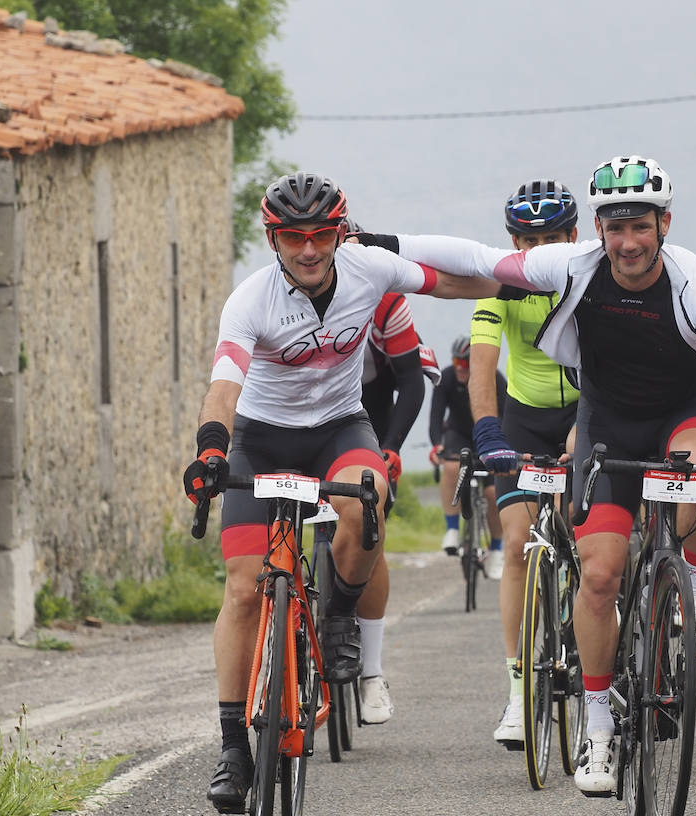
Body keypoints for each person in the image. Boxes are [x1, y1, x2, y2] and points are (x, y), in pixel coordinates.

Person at [358, 155, 696, 797]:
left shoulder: (695, 281)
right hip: (606, 417)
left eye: (640, 226)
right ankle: (600, 729)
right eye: (614, 227)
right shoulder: (575, 265)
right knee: (600, 573)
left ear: (665, 223)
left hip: (682, 410)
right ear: (598, 229)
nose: (628, 242)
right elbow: (476, 260)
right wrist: (382, 244)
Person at [181, 171, 497, 813]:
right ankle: (232, 747)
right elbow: (224, 384)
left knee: (365, 497)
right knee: (243, 587)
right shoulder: (251, 300)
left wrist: (519, 281)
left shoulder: (369, 269)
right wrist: (212, 448)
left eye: (320, 235)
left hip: (338, 429)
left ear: (338, 232)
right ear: (274, 239)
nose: (308, 250)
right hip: (260, 438)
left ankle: (339, 615)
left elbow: (460, 279)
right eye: (293, 237)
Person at [468, 179, 581, 749]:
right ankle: (518, 692)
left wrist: (585, 430)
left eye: (553, 238)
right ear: (513, 242)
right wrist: (487, 431)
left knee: (595, 537)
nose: (539, 251)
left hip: (590, 409)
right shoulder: (500, 286)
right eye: (528, 241)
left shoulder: (588, 281)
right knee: (516, 544)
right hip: (524, 416)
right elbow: (484, 365)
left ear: (575, 238)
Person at [352, 287, 441, 725]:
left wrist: (392, 448)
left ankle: (371, 671)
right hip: (302, 409)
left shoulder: (383, 300)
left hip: (371, 408)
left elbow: (410, 381)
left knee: (371, 532)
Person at [428, 336, 505, 560]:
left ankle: (497, 549)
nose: (460, 368)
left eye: (465, 364)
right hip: (458, 433)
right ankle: (452, 528)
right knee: (451, 467)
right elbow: (435, 417)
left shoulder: (495, 379)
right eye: (456, 362)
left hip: (488, 436)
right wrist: (436, 446)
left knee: (492, 493)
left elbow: (508, 417)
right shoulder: (448, 377)